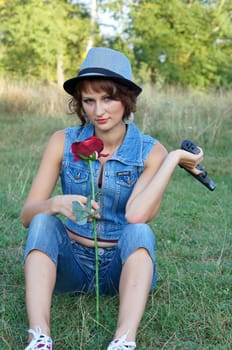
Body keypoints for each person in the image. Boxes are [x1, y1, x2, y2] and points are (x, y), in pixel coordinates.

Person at [21, 47, 203, 350]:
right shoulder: (62, 142)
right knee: (42, 222)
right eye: (89, 101)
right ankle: (39, 338)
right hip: (70, 266)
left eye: (108, 98)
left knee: (140, 232)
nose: (98, 111)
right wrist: (55, 204)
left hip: (120, 270)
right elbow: (28, 215)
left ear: (127, 100)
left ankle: (123, 341)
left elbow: (136, 216)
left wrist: (172, 159)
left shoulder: (150, 151)